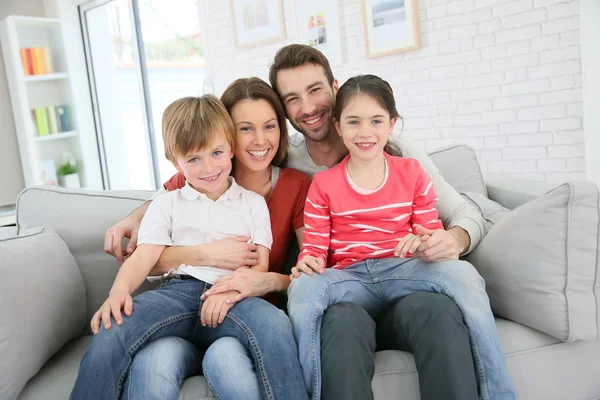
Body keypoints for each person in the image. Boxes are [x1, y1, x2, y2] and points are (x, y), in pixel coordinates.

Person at [105, 45, 487, 400]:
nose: (307, 107)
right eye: (292, 99)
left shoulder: (391, 151)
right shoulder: (242, 169)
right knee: (336, 328)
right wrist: (133, 218)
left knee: (438, 313)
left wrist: (454, 238)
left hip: (392, 283)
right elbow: (168, 202)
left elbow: (468, 212)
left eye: (315, 90)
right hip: (331, 295)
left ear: (335, 89)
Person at [286, 74, 516, 400]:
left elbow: (429, 229)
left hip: (404, 271)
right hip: (349, 279)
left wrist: (427, 243)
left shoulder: (410, 172)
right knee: (302, 288)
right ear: (338, 126)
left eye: (376, 121)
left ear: (391, 124)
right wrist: (308, 261)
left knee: (464, 273)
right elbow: (315, 247)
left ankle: (499, 392)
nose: (365, 132)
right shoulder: (323, 185)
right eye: (354, 122)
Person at [70, 94, 308, 400]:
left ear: (230, 148)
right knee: (112, 327)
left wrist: (232, 291)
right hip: (178, 293)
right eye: (194, 159)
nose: (208, 167)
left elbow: (259, 265)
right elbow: (144, 256)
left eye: (217, 153)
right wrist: (119, 292)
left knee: (274, 324)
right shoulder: (166, 204)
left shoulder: (253, 204)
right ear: (175, 162)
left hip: (232, 295)